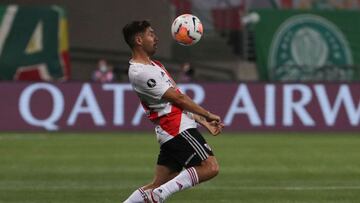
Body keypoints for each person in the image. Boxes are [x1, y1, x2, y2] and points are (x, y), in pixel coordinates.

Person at [122, 20, 224, 203]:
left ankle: (154, 194)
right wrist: (207, 114)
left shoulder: (155, 66)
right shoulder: (140, 72)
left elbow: (178, 97)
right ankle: (159, 196)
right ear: (138, 40)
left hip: (169, 131)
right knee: (210, 167)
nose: (156, 38)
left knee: (156, 184)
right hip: (176, 128)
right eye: (150, 34)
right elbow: (179, 99)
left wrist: (201, 120)